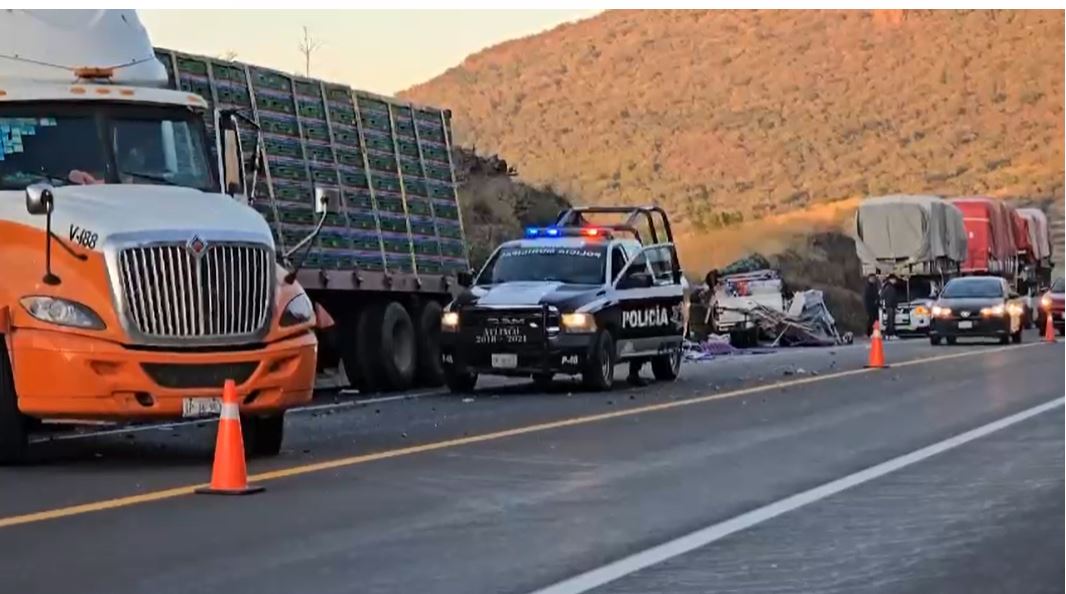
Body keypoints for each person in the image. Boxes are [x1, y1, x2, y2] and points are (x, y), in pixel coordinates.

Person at [881, 274, 900, 339]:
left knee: (890, 320)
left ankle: (887, 334)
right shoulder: (889, 287)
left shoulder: (887, 286)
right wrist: (893, 305)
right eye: (895, 279)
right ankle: (891, 334)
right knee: (891, 321)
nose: (895, 281)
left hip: (889, 305)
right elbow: (891, 297)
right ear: (891, 279)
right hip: (890, 306)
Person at [863, 273, 881, 337]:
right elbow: (867, 297)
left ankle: (874, 332)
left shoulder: (875, 286)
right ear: (869, 279)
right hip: (870, 306)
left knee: (876, 319)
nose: (873, 280)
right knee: (871, 319)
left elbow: (877, 295)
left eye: (874, 278)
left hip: (875, 306)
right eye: (872, 278)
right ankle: (868, 333)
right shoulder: (868, 287)